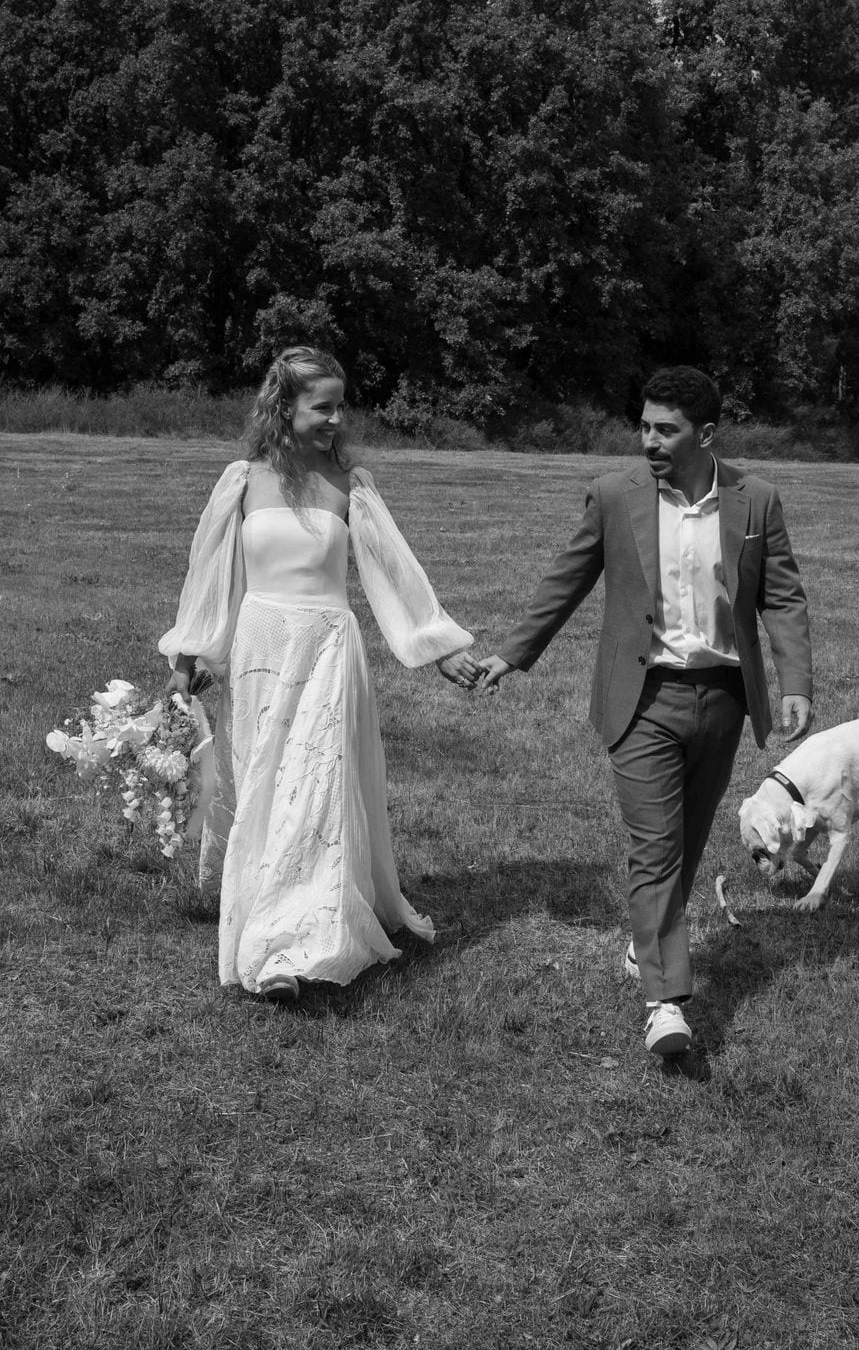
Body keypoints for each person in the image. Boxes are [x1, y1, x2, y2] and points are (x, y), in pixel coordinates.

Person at [477, 366, 812, 1058]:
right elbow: (566, 579)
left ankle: (647, 940)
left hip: (722, 695)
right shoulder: (613, 496)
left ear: (707, 434)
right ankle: (667, 1002)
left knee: (685, 842)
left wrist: (795, 682)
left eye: (667, 429)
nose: (649, 440)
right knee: (655, 847)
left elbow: (782, 596)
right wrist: (513, 652)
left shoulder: (756, 501)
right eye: (645, 426)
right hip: (643, 698)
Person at [159, 345, 479, 1001]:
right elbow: (210, 578)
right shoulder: (241, 482)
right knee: (266, 785)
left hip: (330, 649)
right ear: (285, 407)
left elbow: (395, 572)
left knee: (316, 788)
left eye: (340, 406)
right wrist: (193, 656)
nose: (336, 419)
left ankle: (287, 949)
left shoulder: (349, 486)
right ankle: (267, 908)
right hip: (261, 645)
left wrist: (439, 645)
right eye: (322, 407)